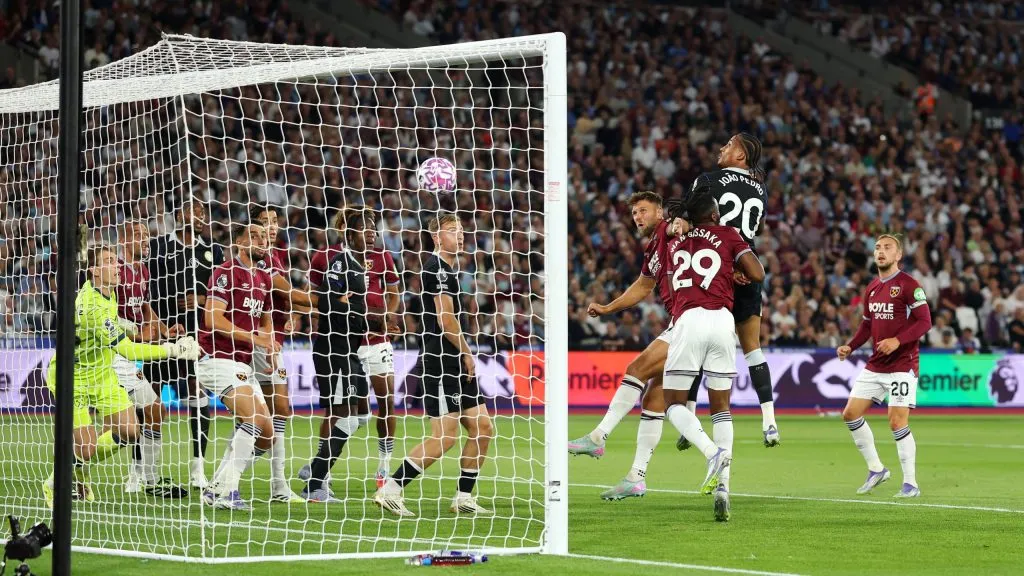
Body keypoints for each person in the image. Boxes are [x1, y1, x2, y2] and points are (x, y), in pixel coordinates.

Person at [42, 244, 199, 508]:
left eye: (116, 261)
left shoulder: (109, 292)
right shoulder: (92, 306)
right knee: (87, 447)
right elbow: (125, 349)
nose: (116, 266)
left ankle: (80, 465)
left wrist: (124, 324)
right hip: (73, 378)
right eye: (108, 262)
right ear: (93, 270)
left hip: (102, 375)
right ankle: (54, 482)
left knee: (129, 431)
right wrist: (174, 349)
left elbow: (111, 324)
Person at [374, 212, 494, 517]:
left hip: (455, 363)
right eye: (453, 231)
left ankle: (463, 498)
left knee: (482, 428)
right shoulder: (437, 269)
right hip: (441, 362)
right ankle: (391, 489)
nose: (461, 235)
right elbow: (445, 318)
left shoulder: (451, 271)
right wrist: (467, 352)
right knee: (445, 438)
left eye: (462, 230)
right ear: (436, 237)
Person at [660, 187, 766, 522]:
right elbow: (758, 273)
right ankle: (723, 487)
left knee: (673, 403)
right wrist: (737, 274)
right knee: (721, 407)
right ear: (715, 213)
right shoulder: (729, 233)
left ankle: (711, 452)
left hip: (688, 319)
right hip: (723, 320)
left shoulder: (675, 240)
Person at [568, 191, 673, 501]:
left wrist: (680, 223)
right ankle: (636, 477)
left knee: (635, 369)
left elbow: (687, 225)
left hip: (696, 320)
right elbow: (643, 286)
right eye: (634, 213)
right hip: (681, 321)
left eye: (643, 210)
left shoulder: (672, 230)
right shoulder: (654, 247)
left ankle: (598, 436)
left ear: (660, 211)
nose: (638, 217)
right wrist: (608, 308)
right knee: (654, 398)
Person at [679, 133, 780, 447]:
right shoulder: (761, 190)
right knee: (753, 348)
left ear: (741, 156)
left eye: (729, 145)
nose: (722, 148)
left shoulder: (708, 180)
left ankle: (690, 418)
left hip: (713, 267)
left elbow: (687, 218)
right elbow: (753, 229)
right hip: (746, 266)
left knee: (698, 340)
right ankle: (770, 423)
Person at [837, 233, 932, 498]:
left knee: (896, 421)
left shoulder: (909, 285)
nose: (881, 251)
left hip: (903, 363)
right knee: (850, 414)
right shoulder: (872, 288)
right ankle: (876, 469)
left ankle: (911, 483)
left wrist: (898, 340)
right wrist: (850, 346)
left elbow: (925, 322)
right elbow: (867, 324)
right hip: (877, 364)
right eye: (877, 247)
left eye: (887, 248)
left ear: (898, 255)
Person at [302, 207, 383, 502]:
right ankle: (315, 484)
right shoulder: (341, 264)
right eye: (365, 228)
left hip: (350, 351)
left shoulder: (360, 266)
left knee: (361, 417)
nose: (372, 232)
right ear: (350, 233)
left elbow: (351, 308)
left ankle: (314, 469)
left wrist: (371, 319)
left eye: (374, 227)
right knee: (344, 416)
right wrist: (347, 307)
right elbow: (324, 300)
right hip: (334, 351)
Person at [197, 223, 279, 510]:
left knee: (268, 437)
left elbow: (266, 317)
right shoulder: (224, 273)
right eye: (254, 236)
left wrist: (269, 344)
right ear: (240, 243)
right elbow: (212, 319)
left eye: (264, 237)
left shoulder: (264, 279)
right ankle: (226, 491)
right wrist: (253, 337)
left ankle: (216, 486)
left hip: (243, 364)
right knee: (254, 418)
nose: (262, 240)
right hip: (216, 358)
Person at [148, 197, 225, 488]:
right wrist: (160, 323)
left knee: (198, 394)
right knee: (151, 400)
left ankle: (197, 469)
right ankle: (142, 470)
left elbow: (221, 292)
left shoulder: (212, 251)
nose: (200, 214)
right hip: (160, 335)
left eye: (203, 210)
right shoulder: (158, 247)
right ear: (179, 213)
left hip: (195, 337)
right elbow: (146, 288)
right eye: (193, 209)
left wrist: (203, 300)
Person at [115, 220, 188, 498]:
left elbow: (144, 307)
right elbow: (109, 317)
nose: (145, 240)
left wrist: (163, 329)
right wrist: (139, 333)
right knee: (128, 421)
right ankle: (137, 474)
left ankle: (148, 477)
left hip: (127, 354)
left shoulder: (142, 270)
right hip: (111, 353)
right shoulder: (116, 270)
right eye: (138, 235)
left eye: (147, 236)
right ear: (124, 239)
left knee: (153, 411)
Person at [248, 204, 312, 503]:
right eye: (264, 222)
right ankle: (276, 485)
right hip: (260, 341)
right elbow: (288, 292)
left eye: (274, 221)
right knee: (280, 410)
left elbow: (282, 300)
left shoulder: (278, 255)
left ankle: (271, 484)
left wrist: (289, 314)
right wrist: (332, 302)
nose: (271, 227)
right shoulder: (260, 258)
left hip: (274, 339)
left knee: (261, 417)